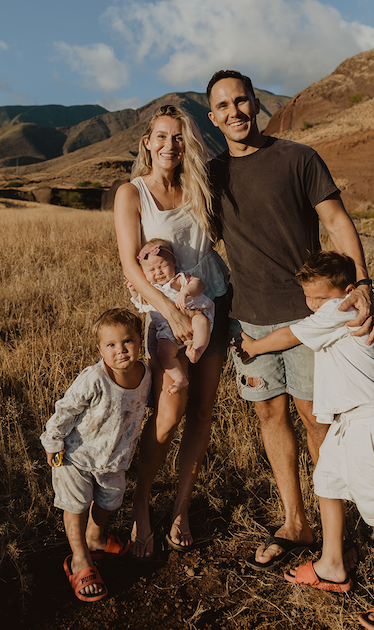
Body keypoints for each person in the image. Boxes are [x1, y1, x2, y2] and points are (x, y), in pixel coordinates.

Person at [207, 69, 374, 570]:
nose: (234, 112)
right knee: (269, 416)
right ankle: (295, 521)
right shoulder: (213, 175)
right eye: (223, 106)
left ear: (256, 104)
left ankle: (332, 535)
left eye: (241, 101)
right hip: (249, 323)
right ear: (212, 117)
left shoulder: (298, 158)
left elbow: (337, 221)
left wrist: (361, 283)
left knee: (315, 420)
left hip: (310, 320)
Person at [240, 251, 374, 630]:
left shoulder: (342, 308)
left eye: (321, 297)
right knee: (326, 484)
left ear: (348, 291)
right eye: (310, 298)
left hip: (372, 424)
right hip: (344, 424)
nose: (315, 306)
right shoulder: (333, 308)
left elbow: (289, 334)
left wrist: (253, 347)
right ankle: (332, 565)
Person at [114, 105, 230, 559]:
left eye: (178, 138)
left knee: (202, 412)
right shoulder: (132, 192)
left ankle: (181, 509)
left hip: (210, 302)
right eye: (161, 137)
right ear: (147, 141)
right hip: (164, 313)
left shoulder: (199, 185)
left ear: (188, 145)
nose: (169, 146)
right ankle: (140, 505)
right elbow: (129, 263)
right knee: (168, 414)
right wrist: (170, 311)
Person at [40, 308, 151, 602]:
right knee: (76, 505)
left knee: (110, 500)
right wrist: (52, 442)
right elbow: (67, 408)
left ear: (141, 340)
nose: (121, 350)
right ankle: (79, 558)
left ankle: (96, 538)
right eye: (111, 345)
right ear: (100, 349)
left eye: (127, 341)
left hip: (114, 460)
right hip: (77, 456)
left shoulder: (146, 375)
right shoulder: (95, 378)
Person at [128, 237, 215, 395]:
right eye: (151, 270)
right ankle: (180, 378)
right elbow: (139, 300)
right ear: (143, 273)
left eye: (162, 266)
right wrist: (133, 289)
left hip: (192, 315)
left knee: (201, 321)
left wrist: (185, 291)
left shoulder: (179, 279)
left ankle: (197, 350)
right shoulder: (150, 289)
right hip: (168, 330)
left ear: (174, 262)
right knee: (163, 353)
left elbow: (198, 283)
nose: (158, 272)